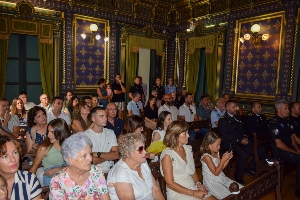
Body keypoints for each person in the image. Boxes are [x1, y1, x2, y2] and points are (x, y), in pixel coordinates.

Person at [160, 121, 215, 200]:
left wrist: (198, 184)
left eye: (187, 132)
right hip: (177, 193)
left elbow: (193, 172)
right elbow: (170, 184)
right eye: (185, 133)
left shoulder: (187, 149)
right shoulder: (167, 155)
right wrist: (193, 193)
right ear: (176, 136)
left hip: (192, 187)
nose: (188, 136)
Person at [49, 134, 110, 199]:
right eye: (84, 156)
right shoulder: (57, 182)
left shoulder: (96, 171)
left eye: (90, 154)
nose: (90, 159)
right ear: (70, 160)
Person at [107, 133, 165, 200]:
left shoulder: (142, 163)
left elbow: (155, 190)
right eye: (140, 150)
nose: (145, 152)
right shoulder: (120, 173)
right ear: (128, 153)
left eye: (144, 148)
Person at [218, 100, 256, 184]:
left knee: (258, 149)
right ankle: (238, 176)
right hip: (230, 143)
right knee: (244, 154)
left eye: (236, 107)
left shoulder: (237, 117)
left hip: (240, 141)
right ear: (227, 108)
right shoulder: (223, 120)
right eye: (233, 107)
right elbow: (225, 136)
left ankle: (249, 168)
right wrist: (240, 140)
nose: (235, 109)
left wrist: (245, 137)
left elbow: (242, 130)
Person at [268, 100, 300, 197]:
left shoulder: (286, 121)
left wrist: (297, 148)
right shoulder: (274, 123)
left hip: (288, 149)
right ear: (278, 110)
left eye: (287, 109)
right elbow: (279, 144)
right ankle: (298, 190)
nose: (288, 111)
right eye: (285, 109)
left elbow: (291, 138)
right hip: (279, 152)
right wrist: (294, 151)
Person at [200, 132, 243, 199]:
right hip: (212, 182)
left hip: (220, 177)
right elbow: (216, 172)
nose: (219, 147)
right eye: (217, 145)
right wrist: (223, 159)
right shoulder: (206, 157)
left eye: (219, 144)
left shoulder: (216, 152)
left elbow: (220, 168)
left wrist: (227, 159)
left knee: (241, 189)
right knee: (229, 196)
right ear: (209, 145)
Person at [29, 118, 70, 186]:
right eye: (48, 132)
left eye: (52, 132)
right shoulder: (44, 148)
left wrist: (57, 169)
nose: (48, 135)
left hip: (67, 173)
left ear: (61, 132)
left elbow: (76, 166)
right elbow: (33, 168)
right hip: (51, 176)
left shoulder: (69, 146)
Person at [80, 107, 119, 173]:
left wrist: (97, 154)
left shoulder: (110, 133)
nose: (105, 118)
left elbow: (116, 155)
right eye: (101, 116)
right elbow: (91, 160)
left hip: (109, 171)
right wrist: (109, 155)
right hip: (93, 172)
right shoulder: (86, 136)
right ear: (93, 119)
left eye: (106, 116)